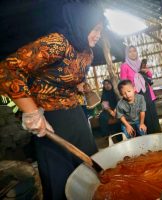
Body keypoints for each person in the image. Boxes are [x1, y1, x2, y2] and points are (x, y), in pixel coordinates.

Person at [0, 3, 103, 199]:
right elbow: (8, 69)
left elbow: (67, 76)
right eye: (95, 28)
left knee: (91, 171)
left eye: (101, 30)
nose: (98, 35)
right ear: (82, 22)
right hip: (49, 121)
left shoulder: (87, 53)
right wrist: (31, 112)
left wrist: (80, 86)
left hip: (76, 116)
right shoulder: (57, 42)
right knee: (60, 180)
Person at [120, 46, 161, 134]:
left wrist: (146, 71)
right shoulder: (124, 66)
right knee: (143, 117)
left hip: (148, 92)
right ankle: (148, 138)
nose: (133, 53)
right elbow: (124, 83)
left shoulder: (141, 63)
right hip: (136, 94)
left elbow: (150, 76)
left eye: (134, 51)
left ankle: (158, 134)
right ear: (127, 54)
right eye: (130, 52)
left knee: (153, 115)